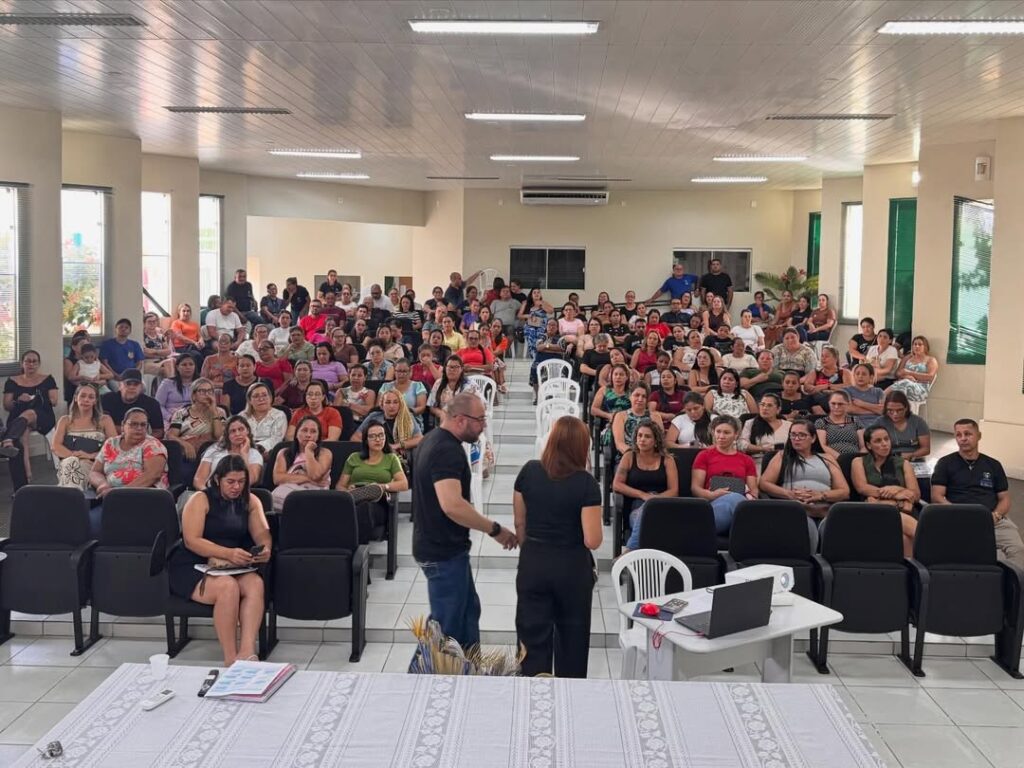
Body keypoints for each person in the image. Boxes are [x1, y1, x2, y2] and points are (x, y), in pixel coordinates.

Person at [412, 393, 516, 657]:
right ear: (460, 420)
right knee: (447, 630)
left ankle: (469, 668)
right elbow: (452, 505)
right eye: (480, 419)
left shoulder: (433, 440)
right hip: (441, 551)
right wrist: (494, 529)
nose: (483, 425)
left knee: (468, 612)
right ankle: (426, 675)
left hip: (445, 547)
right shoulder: (445, 450)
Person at [513, 416, 601, 678]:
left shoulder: (529, 471)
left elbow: (519, 523)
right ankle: (568, 693)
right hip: (571, 568)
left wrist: (532, 551)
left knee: (531, 639)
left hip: (533, 562)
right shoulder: (586, 483)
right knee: (573, 640)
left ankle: (532, 691)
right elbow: (592, 540)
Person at [169, 455, 271, 665]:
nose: (236, 487)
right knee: (227, 587)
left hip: (231, 564)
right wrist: (228, 553)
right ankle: (230, 658)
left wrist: (265, 548)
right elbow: (191, 540)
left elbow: (262, 533)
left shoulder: (251, 500)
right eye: (230, 482)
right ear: (217, 479)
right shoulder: (200, 499)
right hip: (193, 563)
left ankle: (247, 652)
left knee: (255, 584)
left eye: (241, 482)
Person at [931, 419, 1024, 569]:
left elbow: (1005, 498)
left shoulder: (993, 465)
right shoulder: (945, 463)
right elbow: (937, 496)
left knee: (1018, 549)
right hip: (956, 520)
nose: (963, 438)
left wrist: (996, 516)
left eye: (968, 434)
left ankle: (1010, 581)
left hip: (991, 519)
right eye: (958, 435)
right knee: (949, 551)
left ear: (979, 436)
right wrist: (956, 513)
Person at [88, 407, 170, 533]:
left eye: (143, 425)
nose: (139, 428)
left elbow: (153, 475)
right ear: (123, 425)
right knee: (88, 524)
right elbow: (95, 471)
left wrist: (120, 494)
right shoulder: (111, 443)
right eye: (134, 424)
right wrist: (103, 485)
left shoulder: (152, 445)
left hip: (143, 497)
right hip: (109, 498)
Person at [758, 418, 849, 518]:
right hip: (793, 509)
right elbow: (764, 483)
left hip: (824, 510)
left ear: (813, 438)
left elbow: (844, 491)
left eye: (802, 435)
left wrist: (821, 495)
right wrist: (788, 494)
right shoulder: (782, 456)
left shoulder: (827, 458)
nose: (796, 439)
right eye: (793, 435)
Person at [852, 425, 921, 555]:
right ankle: (937, 550)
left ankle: (914, 566)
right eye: (878, 441)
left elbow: (915, 494)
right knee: (905, 527)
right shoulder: (858, 462)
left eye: (886, 439)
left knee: (905, 538)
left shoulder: (903, 463)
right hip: (873, 511)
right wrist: (899, 494)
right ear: (869, 445)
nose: (884, 444)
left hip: (905, 510)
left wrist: (896, 489)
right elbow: (862, 488)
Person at [337, 421, 410, 544]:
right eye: (373, 436)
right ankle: (356, 495)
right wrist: (347, 490)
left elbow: (404, 484)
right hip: (354, 495)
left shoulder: (391, 458)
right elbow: (340, 486)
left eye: (381, 435)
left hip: (378, 501)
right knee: (358, 506)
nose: (378, 439)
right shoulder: (354, 458)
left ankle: (356, 549)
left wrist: (383, 486)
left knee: (364, 507)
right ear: (366, 440)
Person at [616, 420, 680, 551]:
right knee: (644, 517)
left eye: (647, 436)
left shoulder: (668, 460)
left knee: (653, 519)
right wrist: (643, 495)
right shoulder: (629, 456)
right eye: (639, 435)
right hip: (635, 507)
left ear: (656, 441)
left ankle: (630, 551)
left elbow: (674, 491)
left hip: (661, 506)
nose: (642, 439)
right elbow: (617, 484)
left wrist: (654, 500)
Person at [0, 348, 59, 489]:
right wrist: (18, 400)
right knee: (21, 437)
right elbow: (7, 406)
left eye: (34, 361)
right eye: (28, 361)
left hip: (42, 416)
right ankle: (25, 478)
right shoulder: (12, 381)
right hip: (18, 419)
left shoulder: (47, 379)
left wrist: (37, 398)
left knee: (30, 413)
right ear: (22, 363)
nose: (31, 364)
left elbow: (54, 401)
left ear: (39, 364)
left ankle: (8, 439)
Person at [691, 415, 759, 534]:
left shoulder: (747, 460)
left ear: (736, 434)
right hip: (711, 504)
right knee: (736, 499)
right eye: (718, 431)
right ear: (713, 432)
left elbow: (753, 491)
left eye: (726, 433)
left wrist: (750, 496)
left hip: (741, 503)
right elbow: (695, 488)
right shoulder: (704, 456)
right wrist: (712, 495)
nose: (721, 436)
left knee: (737, 500)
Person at [52, 383, 117, 490]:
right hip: (69, 462)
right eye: (82, 396)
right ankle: (73, 494)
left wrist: (90, 456)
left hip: (95, 464)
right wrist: (75, 456)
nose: (86, 400)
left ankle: (69, 495)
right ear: (75, 398)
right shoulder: (65, 420)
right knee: (71, 463)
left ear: (95, 401)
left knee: (78, 466)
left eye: (91, 397)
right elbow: (55, 446)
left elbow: (114, 448)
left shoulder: (105, 420)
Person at [166, 377, 228, 479]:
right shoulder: (181, 413)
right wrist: (185, 444)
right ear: (194, 395)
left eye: (210, 391)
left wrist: (213, 412)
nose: (207, 394)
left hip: (210, 453)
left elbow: (219, 436)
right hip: (186, 453)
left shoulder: (220, 412)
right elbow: (171, 435)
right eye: (202, 391)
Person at [271, 415, 334, 511]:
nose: (308, 435)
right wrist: (307, 478)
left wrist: (308, 451)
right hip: (288, 494)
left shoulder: (324, 453)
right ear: (296, 433)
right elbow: (277, 478)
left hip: (316, 494)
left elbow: (316, 475)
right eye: (304, 430)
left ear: (318, 436)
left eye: (313, 431)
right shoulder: (284, 452)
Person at [192, 415, 263, 489]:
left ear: (247, 431)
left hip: (238, 492)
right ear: (227, 435)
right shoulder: (214, 450)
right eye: (233, 431)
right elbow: (198, 480)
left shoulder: (254, 454)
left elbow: (250, 481)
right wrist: (207, 493)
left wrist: (244, 454)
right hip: (212, 490)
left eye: (241, 429)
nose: (237, 434)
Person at [101, 369, 165, 437]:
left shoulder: (152, 404)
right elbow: (97, 424)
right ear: (120, 385)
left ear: (141, 387)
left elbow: (159, 431)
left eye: (136, 384)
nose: (132, 387)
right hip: (110, 439)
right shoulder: (106, 399)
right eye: (128, 384)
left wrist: (144, 441)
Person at [876, 390, 931, 458]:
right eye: (890, 410)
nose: (895, 414)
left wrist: (911, 455)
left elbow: (926, 449)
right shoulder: (880, 422)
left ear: (906, 408)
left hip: (913, 458)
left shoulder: (918, 422)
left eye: (899, 410)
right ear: (886, 409)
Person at [428, 356, 481, 423]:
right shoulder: (438, 383)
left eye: (456, 367)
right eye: (450, 367)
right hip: (444, 421)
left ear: (461, 369)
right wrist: (441, 414)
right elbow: (432, 406)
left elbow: (476, 408)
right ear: (445, 368)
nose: (452, 370)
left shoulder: (470, 385)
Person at [241, 381, 287, 456]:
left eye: (264, 395)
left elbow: (276, 439)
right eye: (256, 396)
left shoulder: (279, 415)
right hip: (243, 449)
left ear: (270, 398)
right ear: (249, 400)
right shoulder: (242, 416)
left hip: (268, 452)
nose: (261, 399)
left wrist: (257, 447)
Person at [380, 359, 428, 430]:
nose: (401, 374)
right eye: (398, 371)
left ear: (410, 371)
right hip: (388, 421)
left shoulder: (418, 386)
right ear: (394, 371)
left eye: (404, 371)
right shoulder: (386, 386)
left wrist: (405, 412)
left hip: (411, 421)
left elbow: (421, 408)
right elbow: (379, 405)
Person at [888, 335, 939, 402]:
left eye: (920, 344)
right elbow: (897, 373)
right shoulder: (907, 358)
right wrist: (906, 377)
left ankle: (882, 398)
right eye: (915, 344)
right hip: (903, 386)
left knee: (904, 384)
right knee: (901, 388)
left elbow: (930, 377)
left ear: (925, 347)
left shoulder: (931, 360)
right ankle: (887, 402)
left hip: (920, 389)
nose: (917, 346)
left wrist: (909, 373)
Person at [815, 391, 864, 458]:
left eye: (840, 404)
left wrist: (859, 459)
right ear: (829, 403)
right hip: (832, 459)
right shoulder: (821, 422)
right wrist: (842, 458)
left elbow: (863, 446)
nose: (836, 407)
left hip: (856, 458)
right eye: (833, 403)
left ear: (848, 404)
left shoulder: (855, 420)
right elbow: (823, 445)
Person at [803, 345, 850, 413]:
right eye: (822, 356)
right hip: (819, 402)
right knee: (812, 397)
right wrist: (826, 387)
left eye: (826, 356)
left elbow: (849, 386)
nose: (823, 359)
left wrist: (828, 387)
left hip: (838, 401)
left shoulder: (844, 372)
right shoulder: (815, 372)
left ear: (835, 359)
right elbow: (807, 387)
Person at [155, 355, 197, 425]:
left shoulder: (200, 383)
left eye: (191, 364)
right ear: (177, 367)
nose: (188, 367)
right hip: (170, 418)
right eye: (184, 365)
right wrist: (170, 417)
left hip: (195, 418)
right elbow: (158, 405)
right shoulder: (167, 383)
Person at [336, 365, 376, 434]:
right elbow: (337, 411)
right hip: (343, 423)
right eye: (353, 375)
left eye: (359, 375)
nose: (356, 378)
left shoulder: (369, 392)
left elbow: (367, 412)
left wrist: (348, 405)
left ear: (365, 377)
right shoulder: (341, 391)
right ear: (349, 376)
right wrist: (359, 408)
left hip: (361, 424)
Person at [845, 363, 886, 427]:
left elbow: (883, 410)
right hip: (856, 425)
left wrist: (863, 404)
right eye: (857, 374)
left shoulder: (878, 391)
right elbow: (850, 409)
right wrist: (875, 410)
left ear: (871, 377)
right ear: (854, 376)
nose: (860, 376)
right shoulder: (847, 390)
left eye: (864, 374)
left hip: (877, 424)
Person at [648, 360, 686, 428]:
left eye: (669, 377)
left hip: (681, 425)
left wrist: (677, 416)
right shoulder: (654, 395)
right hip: (660, 427)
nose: (665, 379)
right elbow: (651, 412)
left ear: (675, 381)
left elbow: (688, 408)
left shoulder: (683, 394)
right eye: (663, 377)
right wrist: (667, 416)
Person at [520, 288, 553, 358]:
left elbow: (551, 311)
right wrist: (529, 316)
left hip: (542, 325)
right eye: (534, 292)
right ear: (531, 295)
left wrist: (542, 305)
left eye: (538, 292)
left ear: (540, 294)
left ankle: (538, 353)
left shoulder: (543, 302)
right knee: (531, 332)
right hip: (530, 325)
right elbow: (519, 315)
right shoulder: (526, 303)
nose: (536, 294)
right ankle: (534, 354)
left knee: (539, 334)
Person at [141, 312, 175, 379]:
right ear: (144, 324)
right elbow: (145, 353)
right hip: (148, 362)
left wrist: (154, 351)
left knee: (173, 363)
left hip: (162, 360)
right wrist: (161, 353)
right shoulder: (142, 337)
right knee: (166, 368)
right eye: (149, 322)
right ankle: (172, 384)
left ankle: (171, 383)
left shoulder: (160, 336)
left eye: (154, 321)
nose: (152, 323)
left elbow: (168, 351)